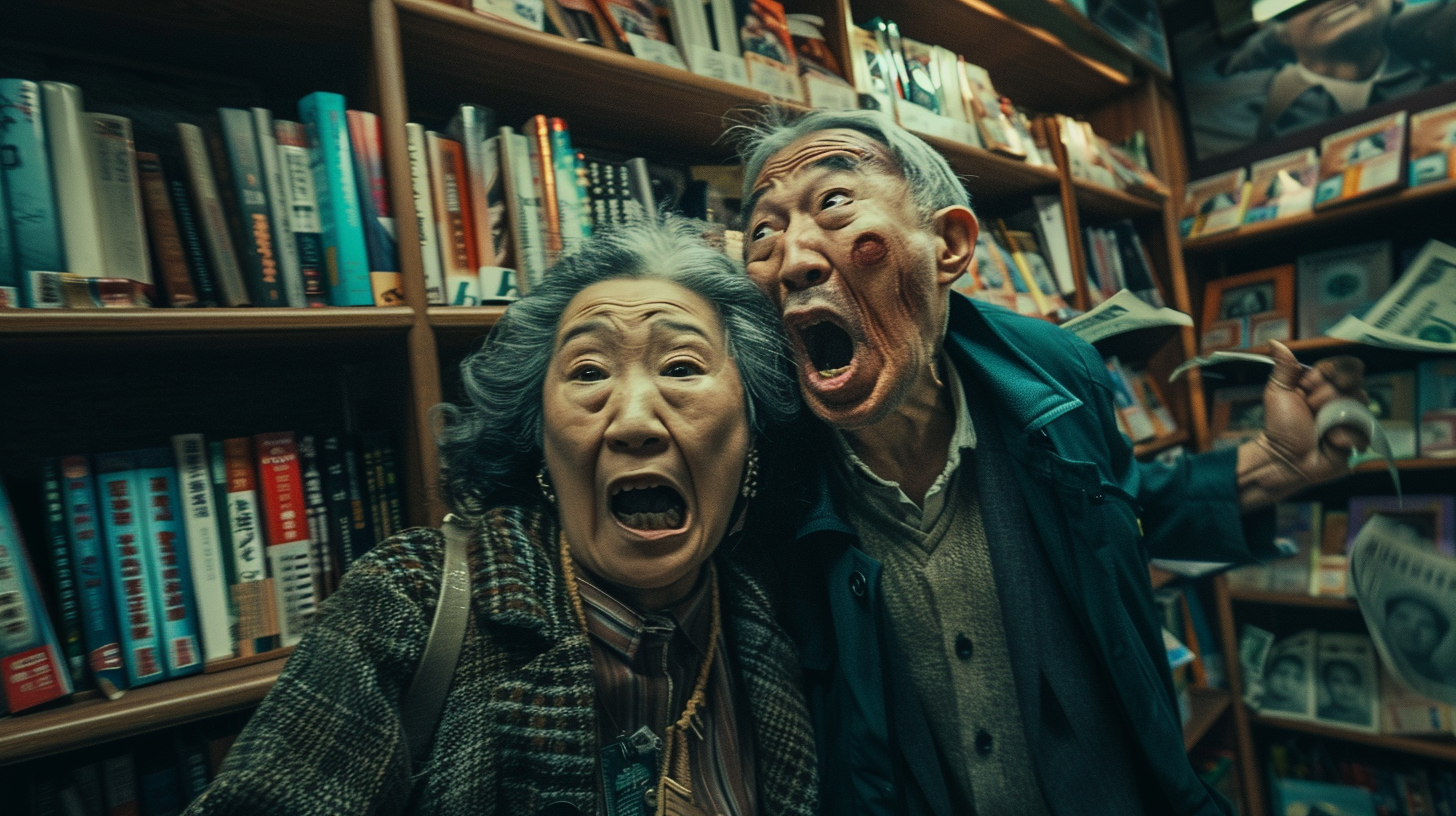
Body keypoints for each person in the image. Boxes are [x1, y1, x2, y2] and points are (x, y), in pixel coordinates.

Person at [735, 107, 1368, 816]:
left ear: (949, 244)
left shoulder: (1058, 376)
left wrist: (1276, 461)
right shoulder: (764, 471)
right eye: (763, 232)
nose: (792, 259)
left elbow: (1116, 514)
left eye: (834, 203)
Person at [184, 217, 817, 816]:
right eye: (588, 371)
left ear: (751, 433)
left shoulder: (774, 624)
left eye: (681, 367)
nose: (631, 421)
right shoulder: (410, 600)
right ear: (539, 440)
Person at [1386, 594, 1450, 683]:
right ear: (1387, 621)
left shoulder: (1431, 680)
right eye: (1402, 617)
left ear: (1438, 640)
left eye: (1425, 625)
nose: (1411, 629)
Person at [1317, 658, 1371, 725]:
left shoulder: (1365, 718)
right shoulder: (1320, 713)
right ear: (1326, 684)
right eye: (1337, 682)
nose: (1346, 690)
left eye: (1352, 682)